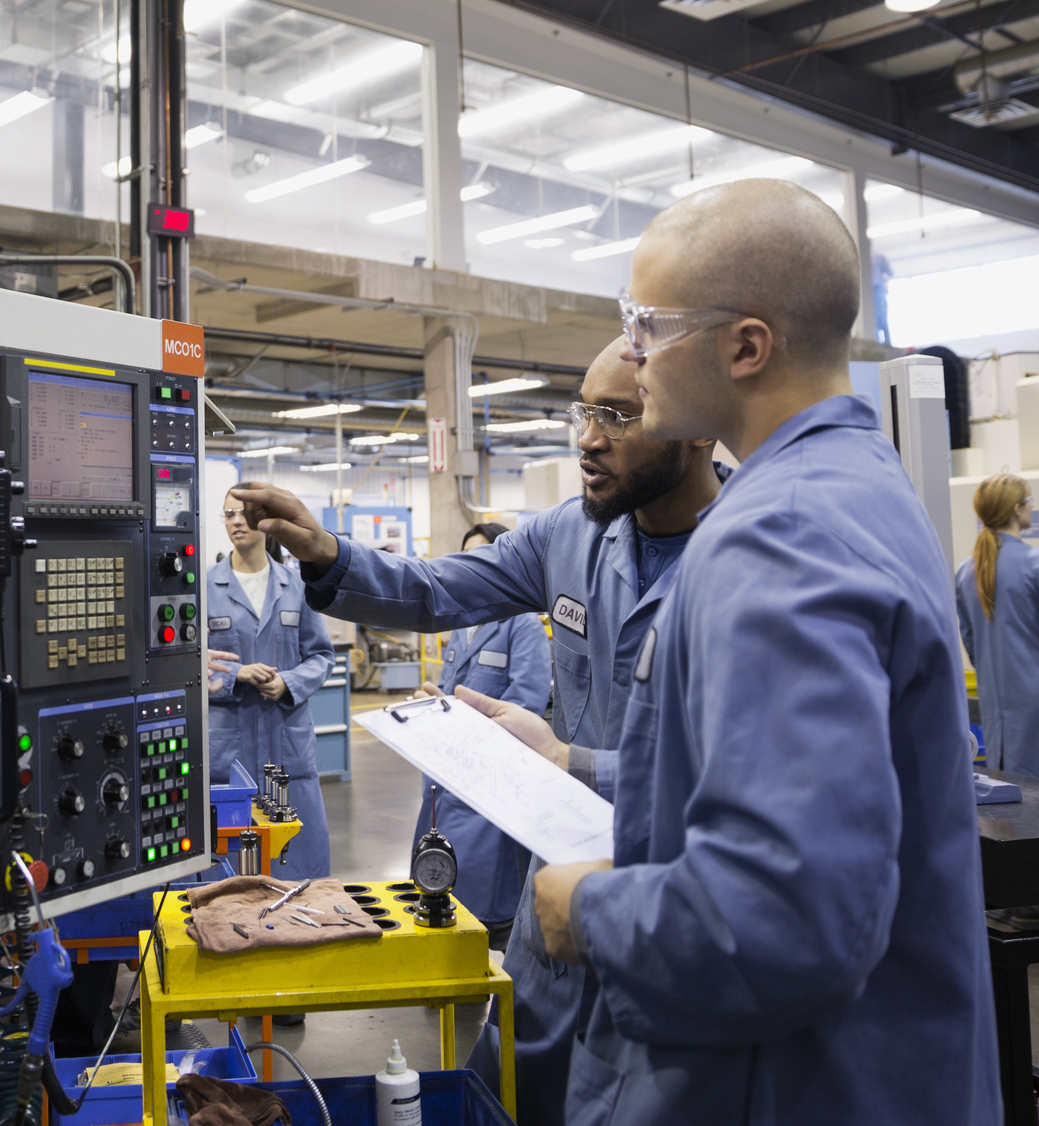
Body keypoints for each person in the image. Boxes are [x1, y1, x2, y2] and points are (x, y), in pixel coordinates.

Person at [510, 177, 997, 1126]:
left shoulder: (777, 534)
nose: (631, 351)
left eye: (648, 324)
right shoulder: (856, 485)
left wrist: (591, 915)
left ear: (745, 345)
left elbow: (781, 916)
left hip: (790, 1089)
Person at [228, 333, 723, 1126]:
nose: (589, 437)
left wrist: (572, 761)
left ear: (698, 423)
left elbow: (742, 779)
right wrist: (326, 555)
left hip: (677, 905)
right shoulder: (568, 534)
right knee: (513, 1094)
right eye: (583, 411)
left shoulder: (750, 558)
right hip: (554, 905)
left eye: (618, 416)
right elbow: (433, 590)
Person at [411, 523, 551, 944]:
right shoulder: (460, 624)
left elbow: (526, 694)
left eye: (485, 556)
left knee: (486, 884)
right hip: (447, 770)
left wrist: (468, 730)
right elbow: (454, 685)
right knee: (441, 869)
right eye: (467, 557)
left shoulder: (521, 623)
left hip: (490, 773)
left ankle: (489, 944)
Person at [206, 500, 337, 881]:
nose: (235, 521)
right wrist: (235, 673)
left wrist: (289, 682)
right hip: (230, 744)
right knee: (228, 864)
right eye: (227, 513)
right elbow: (184, 663)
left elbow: (321, 655)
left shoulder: (297, 587)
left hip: (286, 741)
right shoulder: (204, 589)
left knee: (297, 863)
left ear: (264, 521)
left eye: (242, 513)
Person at [957, 472, 1039, 777]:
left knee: (1014, 804)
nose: (1031, 507)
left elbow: (972, 644)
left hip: (996, 704)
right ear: (1017, 509)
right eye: (1029, 501)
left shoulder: (966, 572)